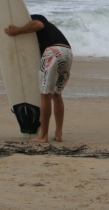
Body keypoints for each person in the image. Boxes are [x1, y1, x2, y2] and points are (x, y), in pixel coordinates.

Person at [4, 15, 73, 143]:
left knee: (46, 96)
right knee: (57, 95)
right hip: (67, 52)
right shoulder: (47, 32)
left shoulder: (34, 18)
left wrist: (17, 31)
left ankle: (43, 136)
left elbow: (38, 24)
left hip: (53, 52)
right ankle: (58, 134)